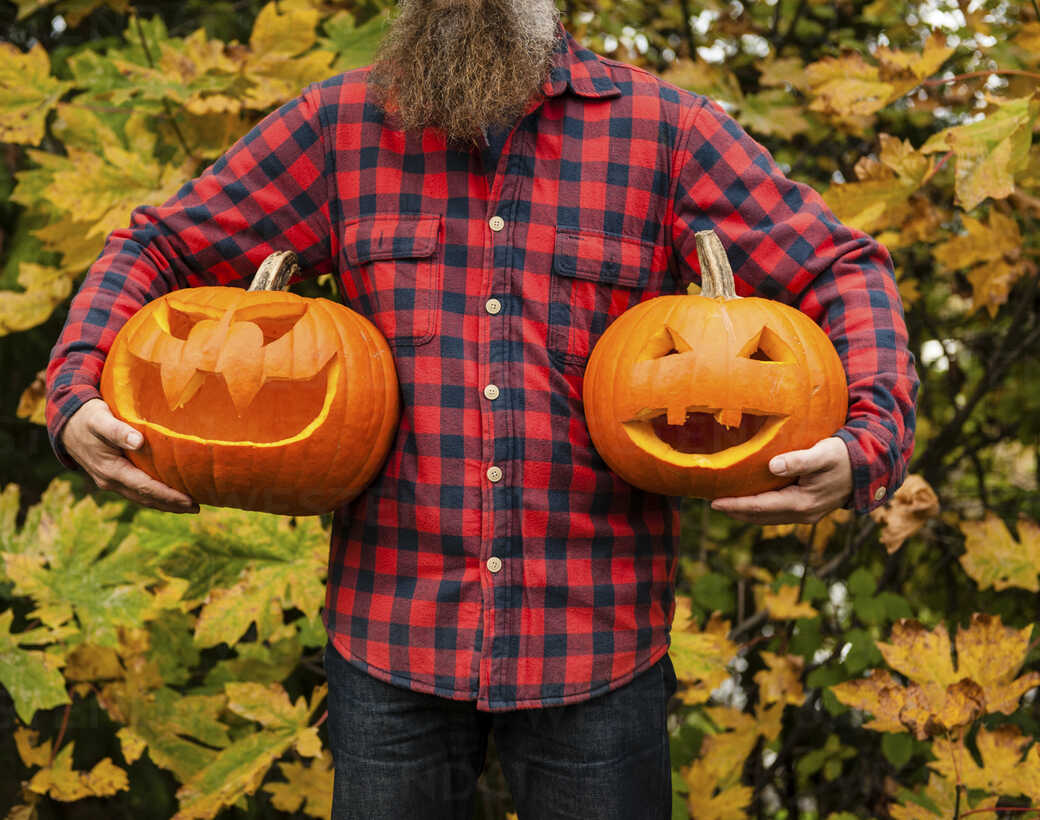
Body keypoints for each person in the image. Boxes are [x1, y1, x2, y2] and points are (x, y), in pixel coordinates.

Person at [45, 0, 919, 817]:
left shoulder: (665, 133)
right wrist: (78, 386)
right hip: (389, 642)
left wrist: (870, 439)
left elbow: (840, 265)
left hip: (598, 648)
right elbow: (158, 243)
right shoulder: (337, 127)